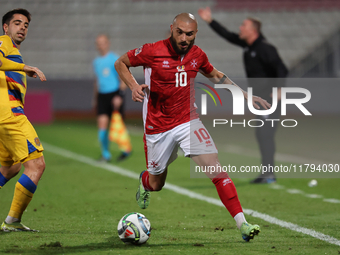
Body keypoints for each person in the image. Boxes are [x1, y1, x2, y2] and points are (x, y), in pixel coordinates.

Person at [115, 13, 271, 241]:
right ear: (172, 29)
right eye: (180, 32)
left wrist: (244, 94)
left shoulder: (197, 55)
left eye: (189, 34)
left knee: (215, 168)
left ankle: (243, 225)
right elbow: (121, 63)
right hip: (157, 128)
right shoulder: (152, 50)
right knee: (157, 183)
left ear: (195, 34)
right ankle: (144, 181)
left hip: (188, 120)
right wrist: (133, 86)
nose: (184, 38)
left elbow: (216, 75)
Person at [198, 7, 288, 183]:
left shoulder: (264, 48)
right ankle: (267, 172)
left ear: (253, 30)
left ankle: (269, 173)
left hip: (270, 100)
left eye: (243, 25)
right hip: (261, 100)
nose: (240, 28)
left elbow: (282, 69)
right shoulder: (249, 46)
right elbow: (228, 35)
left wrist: (278, 91)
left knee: (265, 134)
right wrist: (210, 20)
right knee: (262, 134)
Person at [0, 8, 47, 232]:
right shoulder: (3, 42)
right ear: (5, 27)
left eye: (26, 25)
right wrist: (24, 67)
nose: (22, 28)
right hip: (10, 115)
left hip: (4, 116)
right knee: (36, 165)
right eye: (17, 23)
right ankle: (12, 222)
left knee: (10, 168)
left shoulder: (13, 51)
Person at [93, 34, 132, 162]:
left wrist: (119, 96)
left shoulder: (114, 59)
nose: (101, 45)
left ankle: (126, 149)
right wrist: (95, 98)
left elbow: (122, 79)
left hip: (114, 95)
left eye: (103, 42)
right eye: (98, 43)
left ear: (108, 43)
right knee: (102, 126)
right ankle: (106, 154)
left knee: (118, 125)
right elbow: (97, 80)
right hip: (102, 96)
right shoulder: (96, 62)